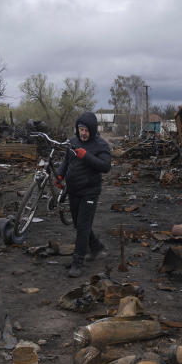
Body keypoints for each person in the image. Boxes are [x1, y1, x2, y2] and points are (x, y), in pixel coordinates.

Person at [57, 111, 111, 277]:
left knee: (82, 227)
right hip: (73, 191)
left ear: (92, 130)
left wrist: (86, 155)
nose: (83, 133)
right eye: (81, 129)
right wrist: (60, 174)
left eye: (86, 130)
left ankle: (77, 262)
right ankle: (96, 246)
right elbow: (67, 160)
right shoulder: (73, 142)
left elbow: (105, 166)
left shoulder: (100, 145)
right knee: (78, 224)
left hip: (90, 192)